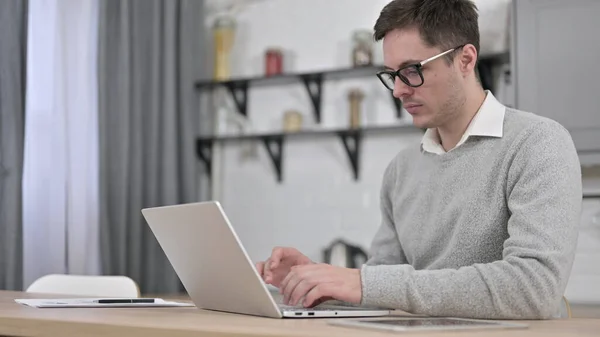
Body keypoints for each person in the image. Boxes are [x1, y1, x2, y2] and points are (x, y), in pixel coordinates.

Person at [256, 0, 582, 320]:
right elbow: (384, 287)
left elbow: (533, 289)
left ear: (466, 60)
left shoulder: (537, 143)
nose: (398, 90)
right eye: (392, 75)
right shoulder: (402, 169)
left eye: (412, 71)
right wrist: (319, 283)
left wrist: (363, 282)